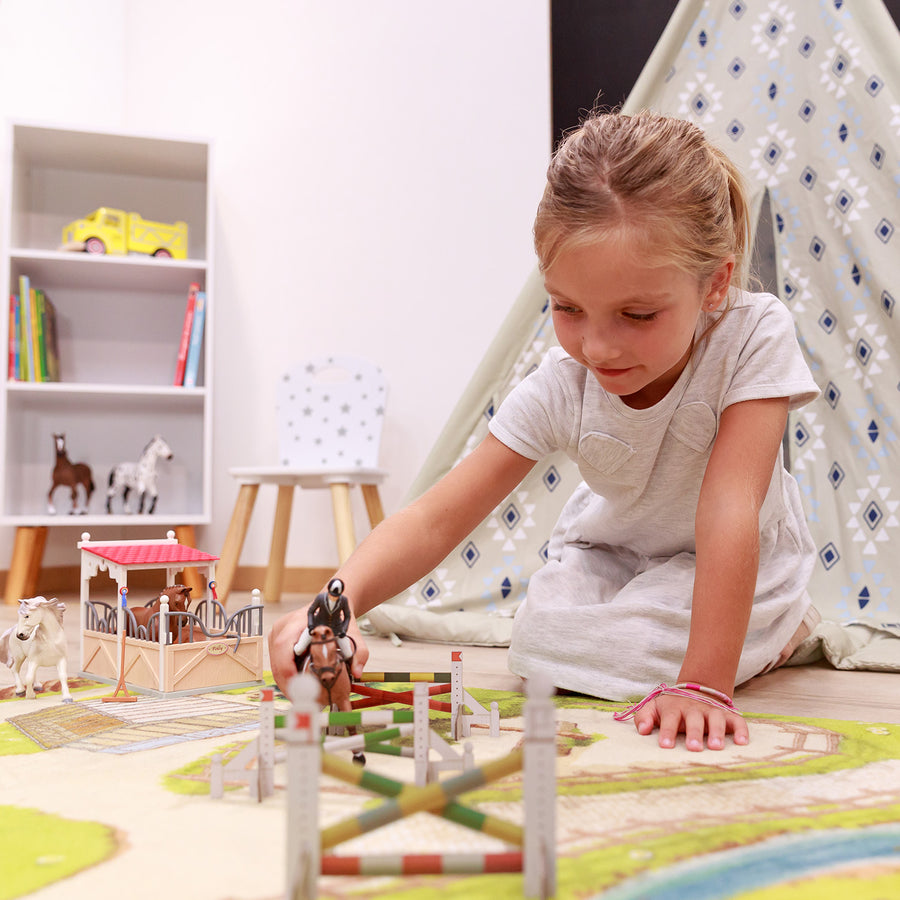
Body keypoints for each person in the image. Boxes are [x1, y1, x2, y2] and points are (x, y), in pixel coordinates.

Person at [270, 109, 819, 752]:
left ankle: (782, 627)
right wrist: (335, 604)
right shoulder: (564, 379)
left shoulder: (754, 335)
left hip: (726, 555)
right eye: (566, 308)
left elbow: (731, 509)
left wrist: (703, 683)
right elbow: (437, 517)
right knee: (537, 645)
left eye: (636, 314)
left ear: (717, 283)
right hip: (611, 553)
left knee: (641, 650)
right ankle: (676, 635)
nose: (597, 345)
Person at [291, 577, 354, 663]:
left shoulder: (343, 600)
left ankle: (349, 674)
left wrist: (343, 630)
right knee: (299, 649)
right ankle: (298, 667)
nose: (333, 598)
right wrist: (311, 625)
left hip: (336, 630)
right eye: (331, 595)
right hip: (317, 627)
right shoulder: (320, 598)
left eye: (336, 596)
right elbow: (311, 612)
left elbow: (347, 616)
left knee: (348, 654)